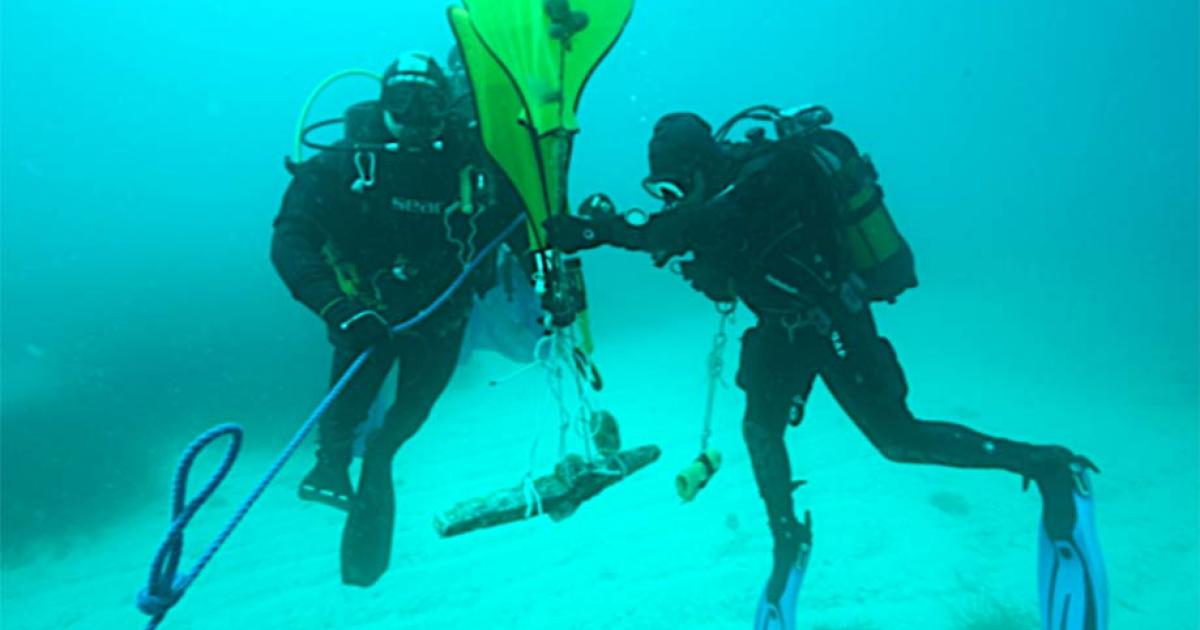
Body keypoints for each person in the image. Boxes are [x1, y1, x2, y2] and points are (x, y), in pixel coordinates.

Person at [545, 107, 1108, 630]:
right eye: (661, 189)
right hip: (779, 331)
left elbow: (704, 224)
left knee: (898, 440)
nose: (673, 196)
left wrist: (606, 231)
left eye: (675, 182)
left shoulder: (768, 172)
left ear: (700, 161)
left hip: (833, 319)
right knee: (758, 430)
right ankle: (787, 539)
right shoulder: (715, 199)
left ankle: (1050, 467)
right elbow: (709, 243)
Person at [270, 51, 528, 587]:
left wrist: (549, 275)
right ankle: (333, 461)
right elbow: (290, 240)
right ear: (382, 104)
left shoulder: (472, 163)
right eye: (400, 103)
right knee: (345, 416)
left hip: (441, 319)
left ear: (447, 106)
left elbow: (523, 218)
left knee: (404, 421)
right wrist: (335, 306)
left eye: (428, 104)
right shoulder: (344, 162)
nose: (413, 117)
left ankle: (378, 460)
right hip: (367, 317)